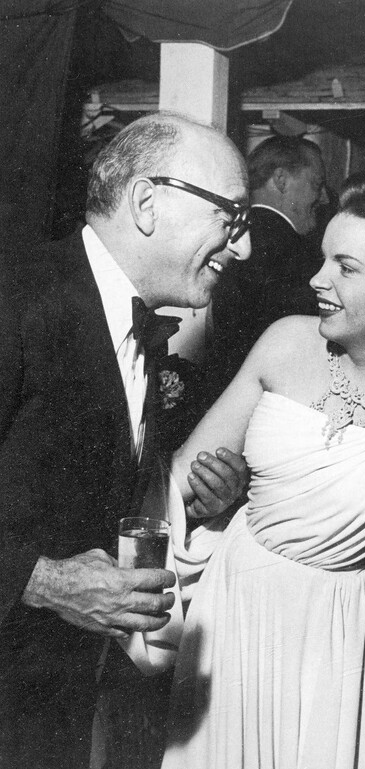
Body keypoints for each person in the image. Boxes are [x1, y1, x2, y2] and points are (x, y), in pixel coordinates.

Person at [157, 175, 365, 769]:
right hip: (238, 604)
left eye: (346, 267)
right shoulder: (284, 341)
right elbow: (184, 476)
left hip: (344, 628)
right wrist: (223, 494)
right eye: (322, 258)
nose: (317, 279)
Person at [0, 112, 251, 769]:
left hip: (54, 698)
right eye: (231, 216)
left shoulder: (134, 323)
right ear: (147, 202)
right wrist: (43, 580)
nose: (244, 246)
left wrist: (193, 497)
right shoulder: (15, 299)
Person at [207, 134, 330, 392]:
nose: (324, 199)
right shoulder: (297, 256)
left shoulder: (229, 241)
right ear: (281, 180)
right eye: (317, 184)